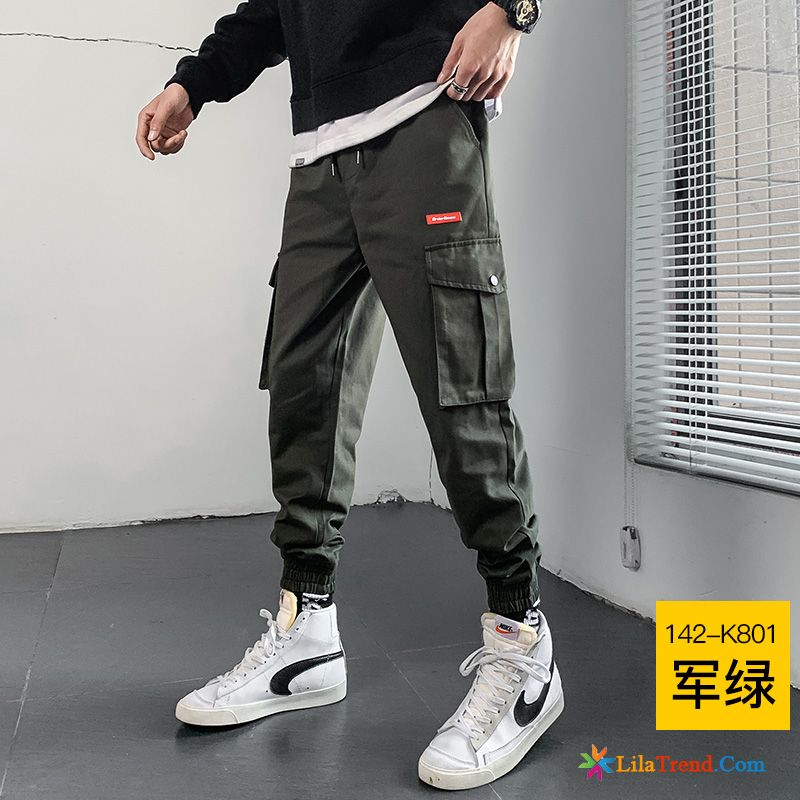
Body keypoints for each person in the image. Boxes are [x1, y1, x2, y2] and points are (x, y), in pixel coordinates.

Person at [135, 0, 562, 789]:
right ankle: (308, 632)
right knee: (304, 387)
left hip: (425, 108)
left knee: (461, 388)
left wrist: (513, 10)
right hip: (322, 152)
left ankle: (521, 644)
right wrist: (191, 85)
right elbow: (273, 10)